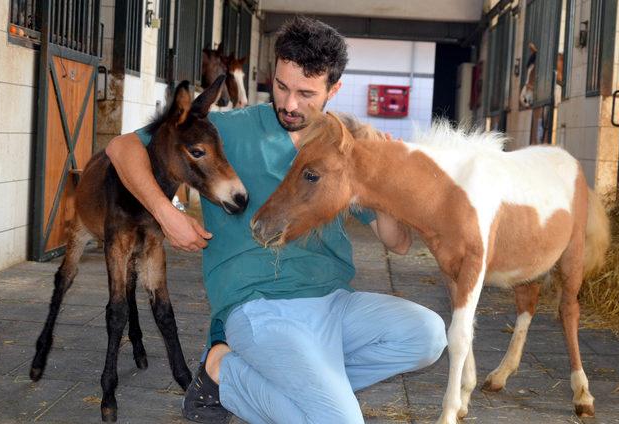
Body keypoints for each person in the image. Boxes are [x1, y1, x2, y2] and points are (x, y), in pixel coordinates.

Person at [105, 16, 447, 424]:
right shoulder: (227, 129)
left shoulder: (343, 146)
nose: (288, 104)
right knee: (340, 420)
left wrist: (385, 175)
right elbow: (122, 147)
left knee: (428, 335)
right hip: (260, 308)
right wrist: (166, 214)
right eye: (282, 87)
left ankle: (226, 372)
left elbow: (398, 243)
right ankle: (242, 375)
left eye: (305, 93)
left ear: (333, 90)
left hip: (333, 304)